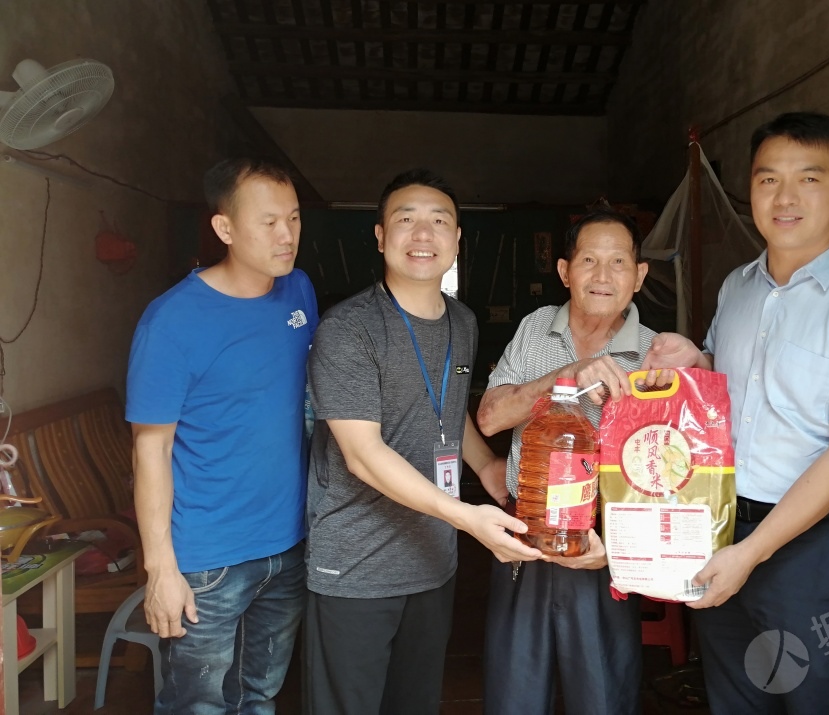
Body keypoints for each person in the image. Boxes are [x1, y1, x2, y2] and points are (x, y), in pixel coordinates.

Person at [641, 112, 829, 714]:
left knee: (820, 702)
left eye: (809, 179)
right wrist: (697, 360)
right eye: (768, 180)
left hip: (819, 552)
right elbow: (734, 389)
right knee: (735, 698)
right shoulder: (737, 288)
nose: (785, 198)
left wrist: (750, 554)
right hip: (724, 527)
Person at [304, 168, 541, 715]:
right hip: (357, 568)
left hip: (433, 560)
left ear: (457, 239)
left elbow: (447, 411)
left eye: (438, 221)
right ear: (380, 236)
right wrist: (467, 517)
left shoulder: (463, 321)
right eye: (405, 219)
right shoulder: (348, 330)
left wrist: (486, 468)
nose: (422, 234)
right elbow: (363, 456)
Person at [126, 157, 317, 714]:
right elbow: (151, 448)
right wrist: (161, 568)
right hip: (207, 560)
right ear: (225, 228)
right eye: (269, 222)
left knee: (259, 695)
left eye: (294, 218)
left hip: (288, 544)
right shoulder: (171, 321)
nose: (287, 235)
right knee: (198, 705)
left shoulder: (298, 291)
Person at [476, 206, 664, 715]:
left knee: (602, 695)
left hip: (605, 543)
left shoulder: (654, 354)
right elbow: (490, 419)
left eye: (618, 262)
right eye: (588, 260)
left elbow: (667, 478)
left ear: (639, 275)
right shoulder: (536, 328)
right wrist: (567, 375)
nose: (603, 275)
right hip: (525, 535)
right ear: (564, 271)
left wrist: (617, 553)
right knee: (514, 693)